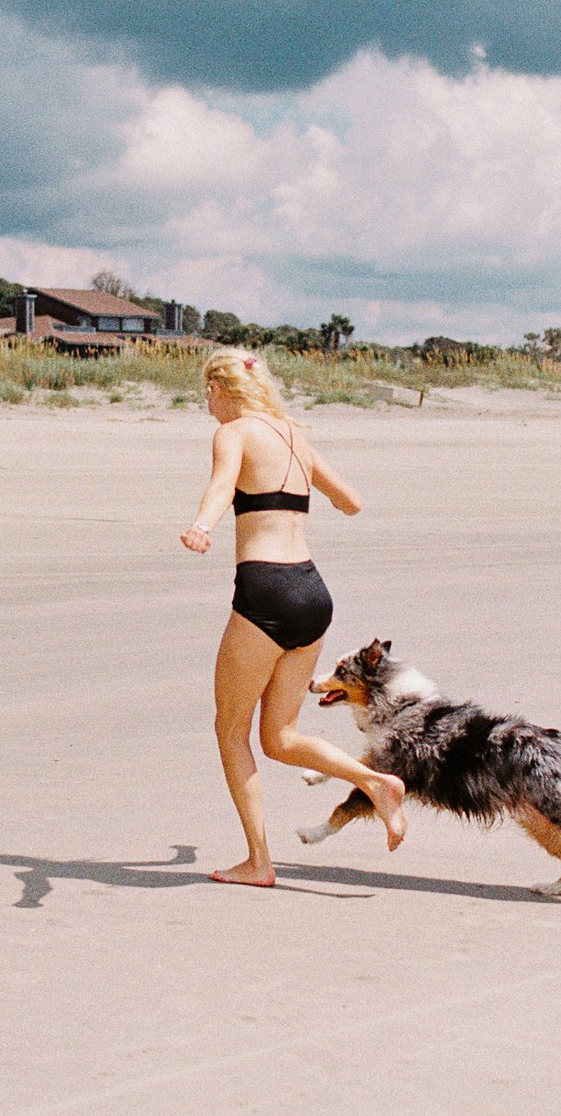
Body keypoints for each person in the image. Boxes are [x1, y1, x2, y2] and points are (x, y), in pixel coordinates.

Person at [179, 348, 407, 887]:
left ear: (222, 389)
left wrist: (203, 525)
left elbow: (220, 485)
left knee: (230, 729)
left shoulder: (233, 433)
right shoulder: (292, 436)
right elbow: (350, 500)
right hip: (312, 593)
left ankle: (259, 862)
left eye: (207, 393)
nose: (207, 404)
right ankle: (376, 783)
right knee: (279, 736)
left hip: (265, 592)